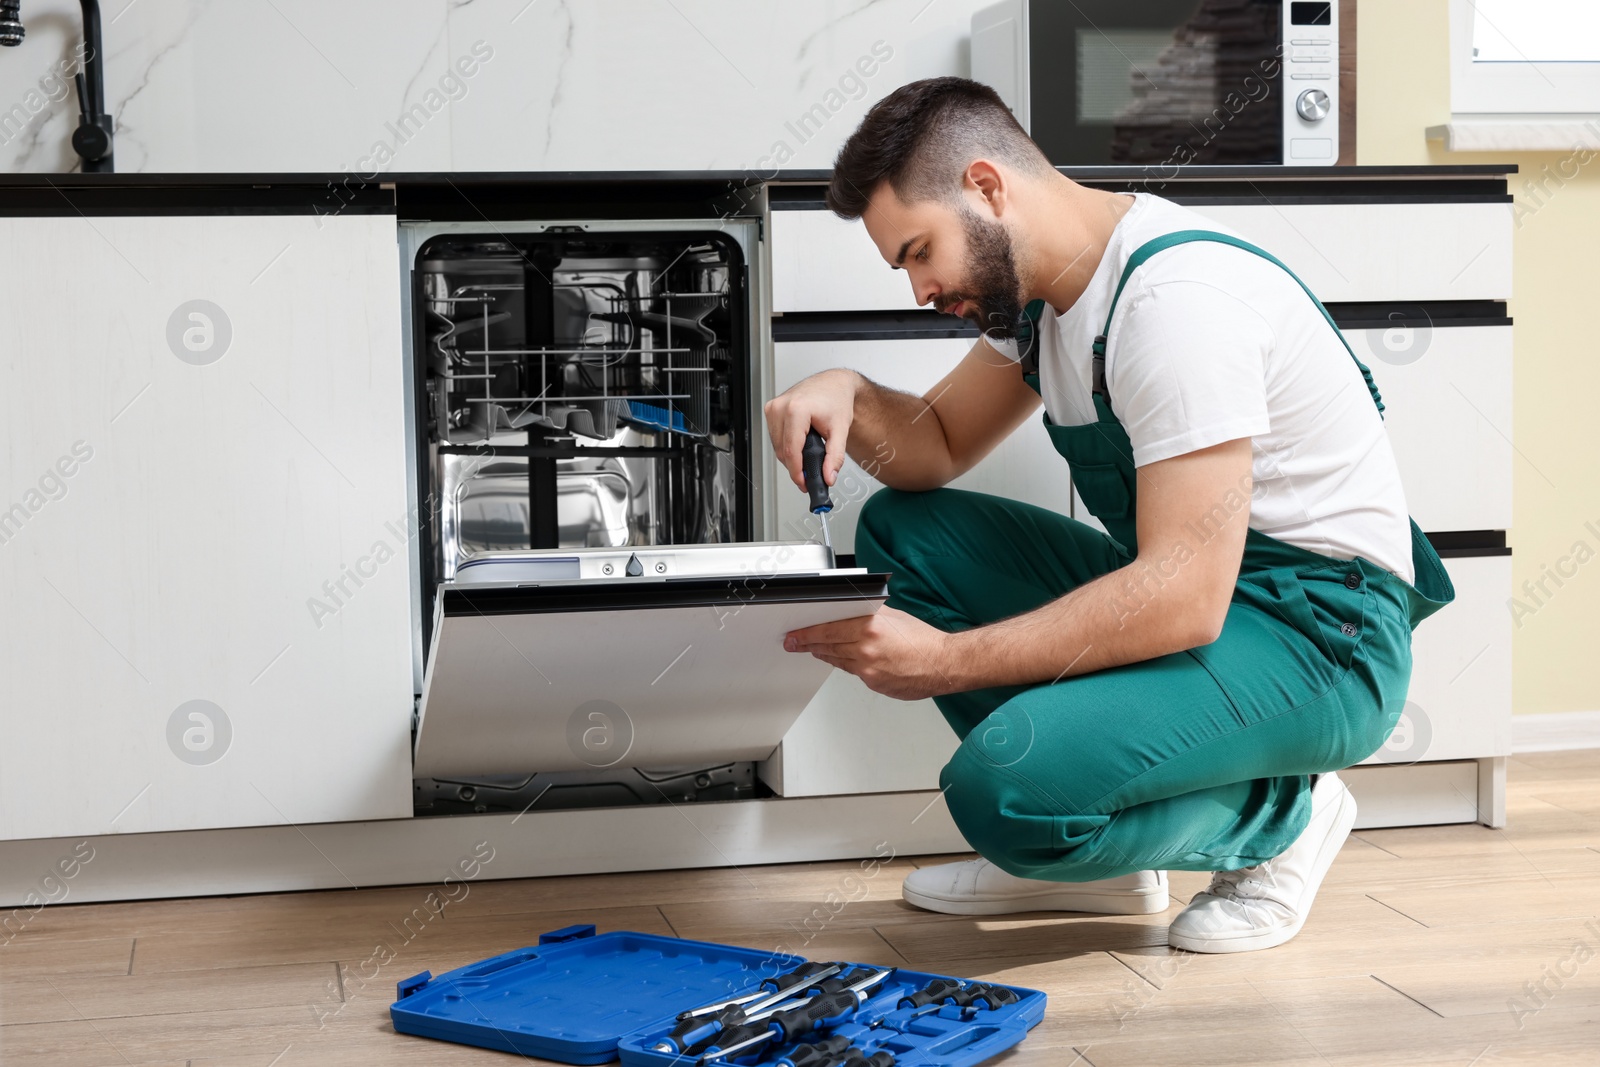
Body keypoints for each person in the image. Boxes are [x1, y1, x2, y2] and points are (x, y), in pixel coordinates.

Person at [767, 77, 1454, 954]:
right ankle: (1111, 854)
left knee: (1000, 794)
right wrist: (849, 391)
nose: (920, 289)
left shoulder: (1171, 305)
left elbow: (1182, 600)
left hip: (1318, 635)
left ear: (986, 187)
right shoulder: (1050, 302)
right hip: (1211, 598)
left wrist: (942, 660)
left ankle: (1287, 813)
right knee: (908, 536)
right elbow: (934, 443)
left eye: (918, 251)